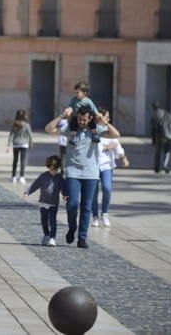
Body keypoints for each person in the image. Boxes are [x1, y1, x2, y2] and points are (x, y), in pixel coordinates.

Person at [46, 102, 121, 248]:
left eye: (85, 119)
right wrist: (62, 116)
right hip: (73, 172)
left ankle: (82, 238)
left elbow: (116, 135)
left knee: (86, 206)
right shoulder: (70, 128)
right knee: (72, 203)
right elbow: (48, 129)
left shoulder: (96, 129)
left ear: (90, 118)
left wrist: (104, 121)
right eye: (80, 119)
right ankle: (72, 227)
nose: (82, 122)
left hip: (91, 174)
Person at [92, 110, 128, 228]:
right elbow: (94, 147)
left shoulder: (109, 131)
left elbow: (117, 145)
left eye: (108, 117)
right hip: (92, 166)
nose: (107, 119)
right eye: (105, 117)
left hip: (106, 165)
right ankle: (95, 216)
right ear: (98, 117)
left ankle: (105, 213)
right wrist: (106, 147)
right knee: (93, 192)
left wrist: (123, 158)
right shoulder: (93, 129)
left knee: (107, 189)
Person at [23, 155, 66, 246]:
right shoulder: (43, 176)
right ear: (48, 167)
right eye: (52, 169)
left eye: (56, 169)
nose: (54, 171)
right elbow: (35, 185)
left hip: (53, 203)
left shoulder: (60, 178)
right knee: (44, 221)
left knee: (53, 221)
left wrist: (65, 196)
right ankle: (46, 235)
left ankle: (52, 238)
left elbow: (63, 189)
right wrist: (27, 192)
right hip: (43, 202)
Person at [6, 109, 33, 184]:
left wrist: (8, 145)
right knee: (23, 161)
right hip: (24, 144)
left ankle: (13, 177)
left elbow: (11, 135)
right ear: (24, 116)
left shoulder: (14, 124)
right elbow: (30, 134)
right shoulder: (27, 125)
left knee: (15, 160)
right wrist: (31, 143)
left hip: (16, 144)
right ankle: (22, 177)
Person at [150, 102, 171, 174]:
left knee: (158, 152)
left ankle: (157, 167)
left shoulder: (154, 115)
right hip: (168, 136)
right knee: (167, 151)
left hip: (159, 136)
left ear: (153, 108)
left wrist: (153, 140)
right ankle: (165, 165)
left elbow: (153, 129)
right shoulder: (166, 113)